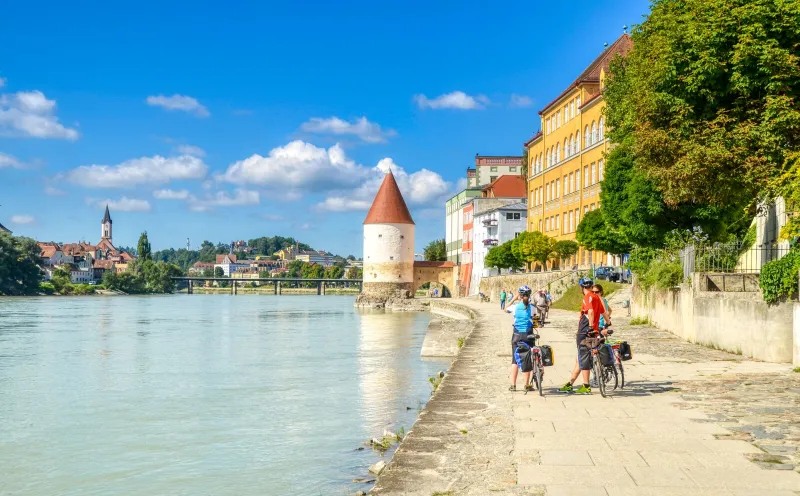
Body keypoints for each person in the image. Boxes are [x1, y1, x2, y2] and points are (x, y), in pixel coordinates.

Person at [558, 278, 611, 394]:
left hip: (585, 331)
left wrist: (591, 327)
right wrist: (608, 322)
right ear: (591, 286)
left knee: (582, 357)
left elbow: (590, 311)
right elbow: (604, 313)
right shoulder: (597, 297)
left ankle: (586, 385)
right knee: (581, 358)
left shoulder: (588, 297)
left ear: (582, 288)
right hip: (596, 330)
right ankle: (571, 383)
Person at [505, 285, 535, 391]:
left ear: (520, 296)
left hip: (517, 335)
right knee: (528, 359)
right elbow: (535, 317)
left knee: (515, 361)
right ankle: (526, 385)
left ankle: (513, 385)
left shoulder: (515, 307)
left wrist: (514, 298)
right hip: (529, 335)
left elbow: (505, 309)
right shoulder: (532, 308)